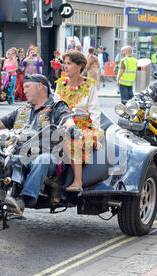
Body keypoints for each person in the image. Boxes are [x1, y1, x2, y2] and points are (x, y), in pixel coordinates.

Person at [0, 74, 82, 215]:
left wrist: (72, 127)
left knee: (43, 160)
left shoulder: (56, 106)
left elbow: (67, 119)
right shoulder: (23, 109)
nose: (23, 90)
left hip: (43, 153)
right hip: (15, 151)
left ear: (39, 86)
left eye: (27, 87)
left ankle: (23, 199)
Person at [54, 50, 103, 192]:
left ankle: (78, 182)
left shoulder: (89, 85)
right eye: (64, 63)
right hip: (61, 124)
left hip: (82, 126)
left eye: (69, 63)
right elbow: (55, 106)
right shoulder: (60, 84)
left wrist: (96, 134)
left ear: (80, 66)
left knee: (72, 139)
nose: (65, 66)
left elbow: (94, 110)